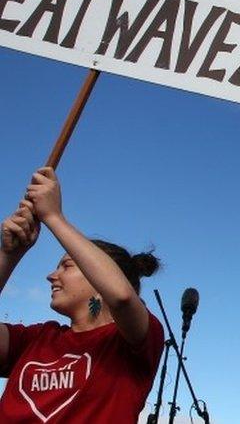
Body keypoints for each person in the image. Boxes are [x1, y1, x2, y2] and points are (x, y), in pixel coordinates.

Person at [0, 167, 164, 422]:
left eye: (66, 265)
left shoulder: (133, 342)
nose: (51, 276)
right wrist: (10, 255)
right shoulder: (35, 339)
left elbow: (121, 296)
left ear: (100, 278)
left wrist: (54, 217)